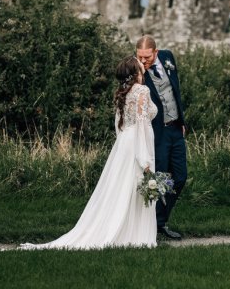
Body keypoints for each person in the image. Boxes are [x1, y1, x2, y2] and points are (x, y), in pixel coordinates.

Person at [21, 56, 158, 249]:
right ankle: (134, 234)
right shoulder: (142, 90)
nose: (143, 71)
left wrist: (122, 146)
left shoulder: (122, 92)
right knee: (138, 183)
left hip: (125, 143)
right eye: (141, 69)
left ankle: (124, 230)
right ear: (136, 73)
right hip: (138, 142)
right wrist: (146, 160)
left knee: (122, 187)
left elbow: (120, 125)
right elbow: (143, 124)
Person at [136, 35, 187, 240]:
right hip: (158, 132)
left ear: (156, 53)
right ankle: (157, 224)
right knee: (159, 179)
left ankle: (161, 219)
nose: (143, 61)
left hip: (176, 128)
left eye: (147, 57)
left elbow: (175, 91)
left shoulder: (168, 58)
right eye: (139, 56)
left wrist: (182, 122)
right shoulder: (137, 71)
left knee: (180, 177)